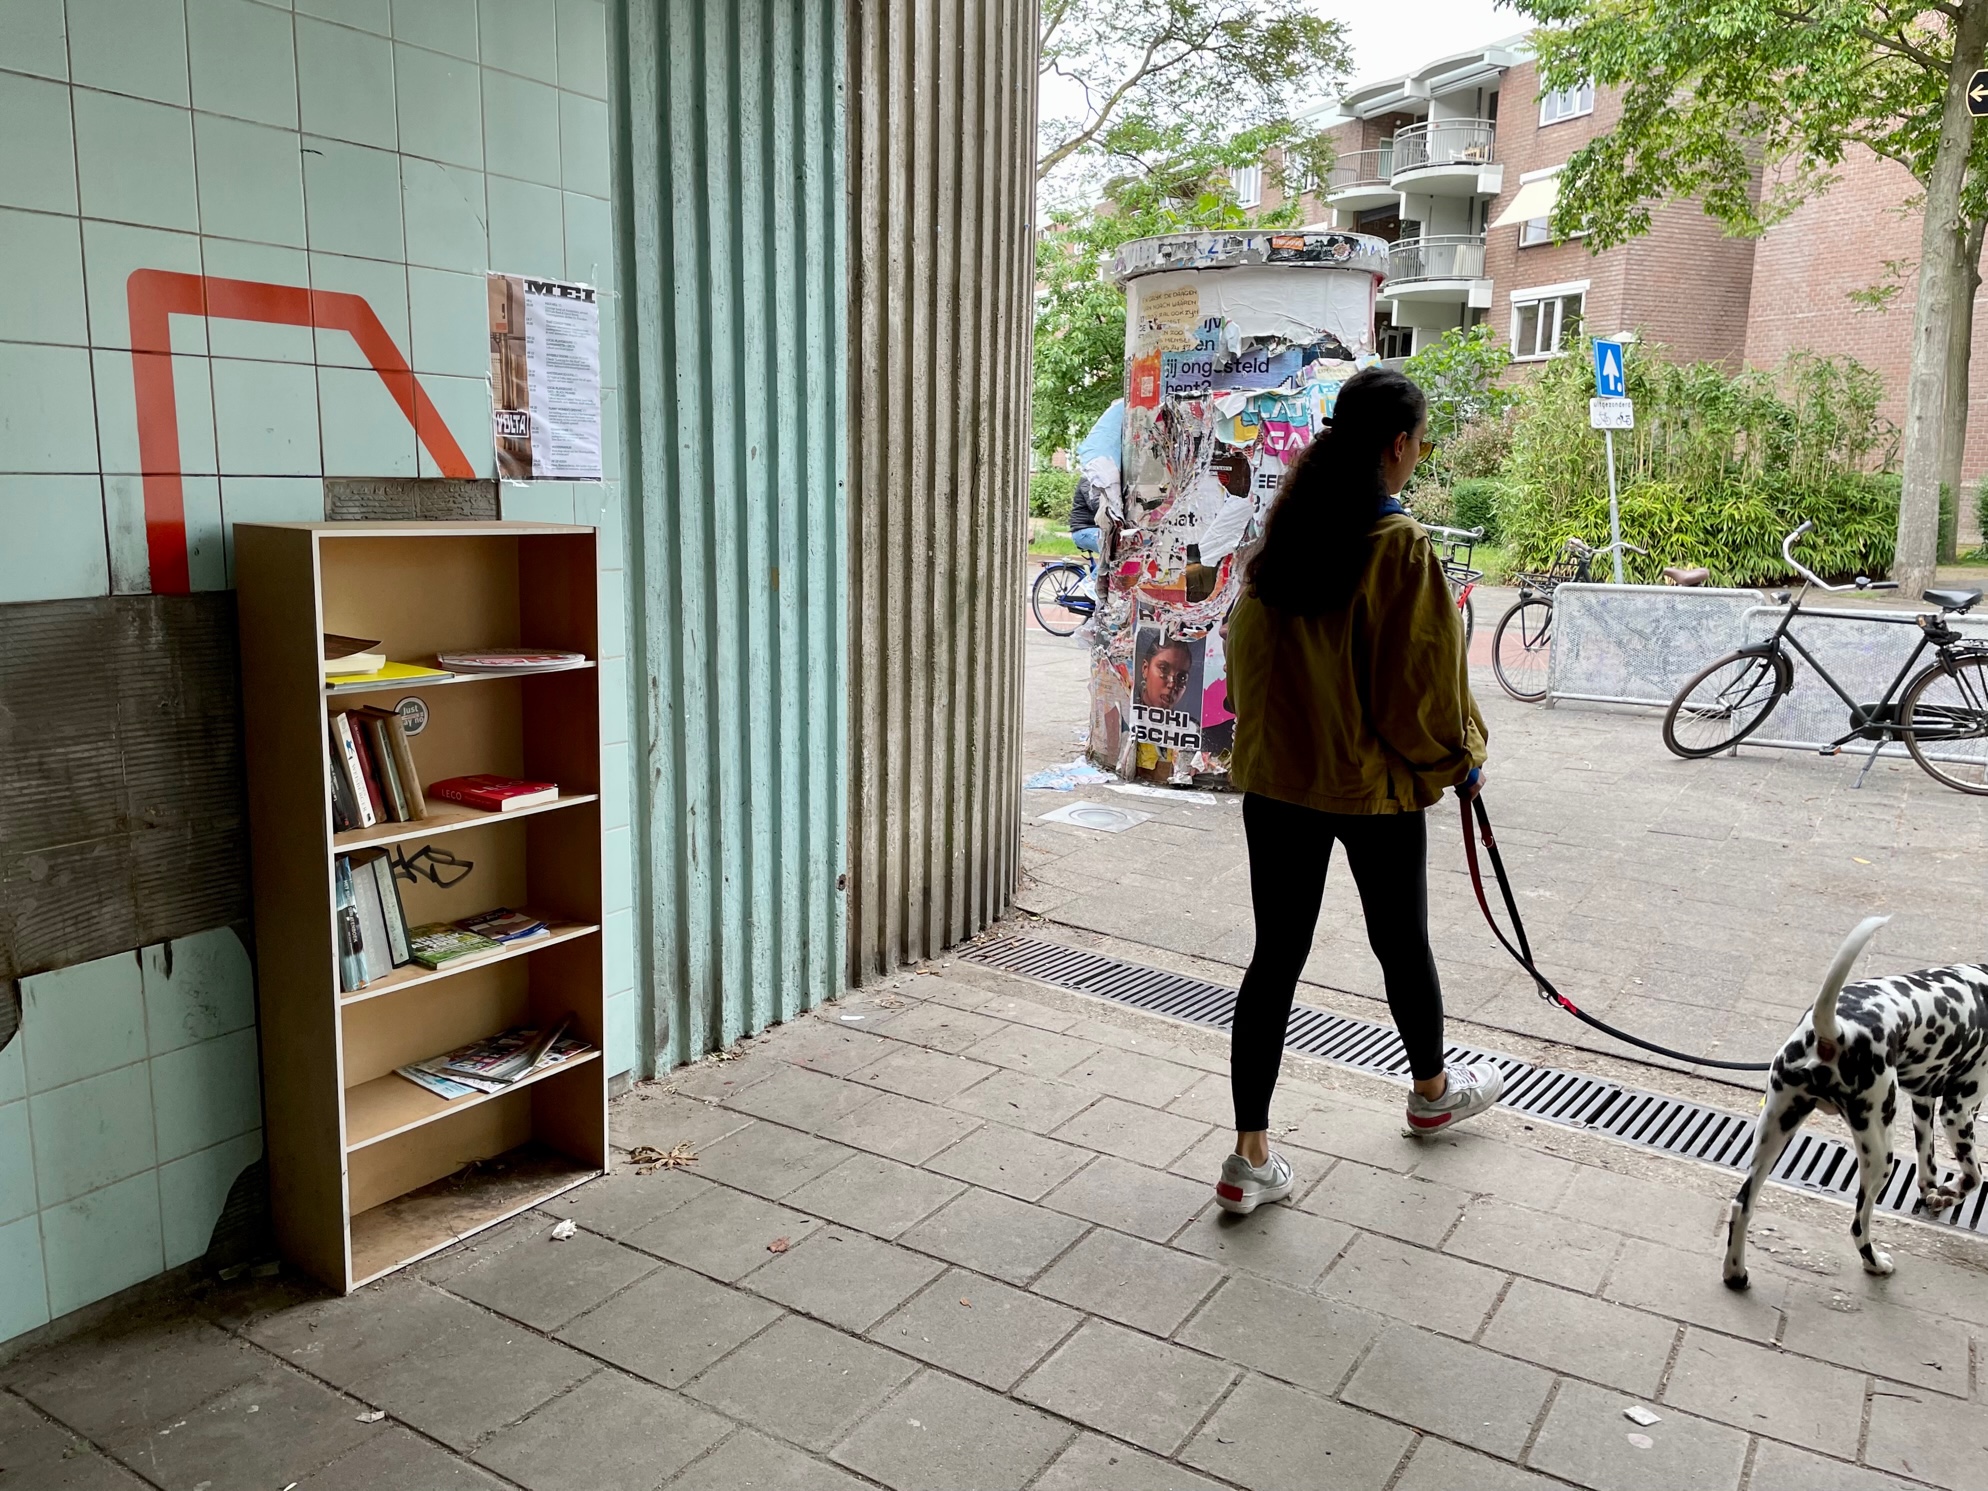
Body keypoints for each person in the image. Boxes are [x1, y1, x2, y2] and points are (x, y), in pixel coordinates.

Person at [1214, 366, 1499, 1217]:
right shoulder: (1399, 547)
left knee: (1275, 960)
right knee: (1401, 945)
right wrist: (1461, 761)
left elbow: (1245, 664)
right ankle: (1430, 1090)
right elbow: (1421, 690)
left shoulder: (1286, 537)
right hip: (1368, 789)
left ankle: (1247, 1156)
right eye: (1420, 442)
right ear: (1399, 445)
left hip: (1278, 785)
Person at [1136, 634, 1193, 711]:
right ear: (1145, 668)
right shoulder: (1125, 711)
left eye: (1181, 677)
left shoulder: (1191, 722)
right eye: (1163, 669)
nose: (1172, 684)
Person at [1069, 474, 1102, 556]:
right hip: (1083, 530)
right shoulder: (1089, 481)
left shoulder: (1099, 480)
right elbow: (1096, 504)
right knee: (1111, 554)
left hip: (1092, 528)